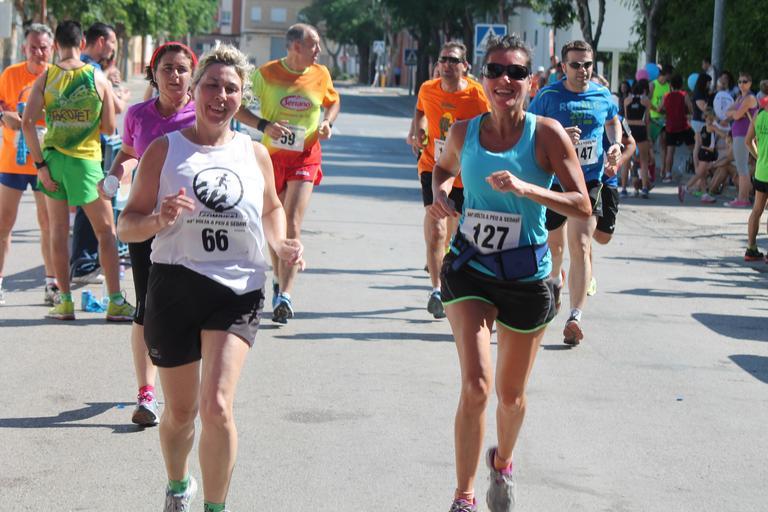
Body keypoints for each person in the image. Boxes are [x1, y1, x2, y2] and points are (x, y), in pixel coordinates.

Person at [117, 44, 304, 512]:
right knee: (181, 413)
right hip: (174, 285)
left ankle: (215, 507)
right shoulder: (163, 150)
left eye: (232, 89)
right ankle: (178, 483)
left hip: (236, 290)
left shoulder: (254, 153)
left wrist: (280, 243)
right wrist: (157, 219)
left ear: (242, 97)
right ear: (195, 89)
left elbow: (272, 208)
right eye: (213, 85)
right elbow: (126, 225)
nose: (221, 96)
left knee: (217, 406)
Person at [429, 34, 590, 512]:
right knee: (476, 386)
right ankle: (464, 496)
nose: (505, 80)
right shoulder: (464, 131)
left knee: (511, 397)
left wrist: (526, 189)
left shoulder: (548, 134)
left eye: (516, 72)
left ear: (531, 81)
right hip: (471, 268)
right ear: (483, 78)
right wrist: (441, 193)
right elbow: (442, 169)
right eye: (496, 71)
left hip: (526, 276)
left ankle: (502, 462)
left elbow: (582, 204)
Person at [100, 42, 198, 425]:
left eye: (182, 68)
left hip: (192, 226)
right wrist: (113, 176)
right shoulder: (139, 115)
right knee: (146, 305)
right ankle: (146, 394)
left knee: (191, 305)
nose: (175, 75)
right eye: (167, 68)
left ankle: (188, 387)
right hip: (146, 219)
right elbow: (129, 154)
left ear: (192, 74)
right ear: (154, 74)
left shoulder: (202, 114)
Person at [20, 20, 134, 321]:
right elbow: (109, 127)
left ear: (56, 45)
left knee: (58, 233)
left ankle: (65, 302)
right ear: (82, 43)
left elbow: (27, 123)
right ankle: (115, 301)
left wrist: (40, 166)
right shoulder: (96, 77)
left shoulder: (46, 77)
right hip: (86, 164)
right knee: (106, 232)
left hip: (53, 163)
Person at [235, 23, 339, 324]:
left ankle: (286, 296)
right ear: (295, 46)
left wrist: (327, 122)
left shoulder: (321, 74)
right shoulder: (266, 74)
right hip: (272, 158)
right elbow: (238, 106)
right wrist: (264, 126)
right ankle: (279, 279)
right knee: (275, 222)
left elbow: (333, 101)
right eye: (314, 44)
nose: (318, 50)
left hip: (306, 156)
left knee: (292, 219)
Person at [528, 39, 622, 346]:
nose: (583, 70)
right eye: (576, 65)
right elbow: (527, 129)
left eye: (588, 64)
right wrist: (558, 137)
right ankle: (555, 282)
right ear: (563, 67)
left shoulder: (602, 94)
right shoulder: (548, 96)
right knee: (555, 249)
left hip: (588, 182)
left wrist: (616, 145)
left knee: (581, 244)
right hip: (554, 182)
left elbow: (613, 122)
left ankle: (575, 318)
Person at [408, 41, 490, 319]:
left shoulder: (477, 95)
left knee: (459, 233)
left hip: (466, 173)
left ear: (465, 66)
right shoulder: (427, 89)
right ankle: (437, 290)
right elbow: (420, 111)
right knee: (437, 229)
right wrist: (418, 131)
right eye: (443, 59)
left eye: (454, 60)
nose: (447, 65)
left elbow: (493, 123)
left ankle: (454, 274)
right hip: (433, 167)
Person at [0, 23, 56, 306]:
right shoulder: (10, 74)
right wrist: (5, 117)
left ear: (52, 48)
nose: (38, 52)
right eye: (33, 47)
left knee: (48, 224)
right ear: (24, 48)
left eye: (43, 47)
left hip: (46, 161)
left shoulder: (57, 77)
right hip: (12, 161)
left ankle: (51, 284)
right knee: (3, 224)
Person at [70, 22, 124, 283]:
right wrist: (119, 94)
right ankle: (84, 263)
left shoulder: (78, 65)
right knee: (93, 203)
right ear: (100, 41)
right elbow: (116, 110)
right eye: (112, 42)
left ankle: (84, 261)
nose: (113, 48)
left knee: (87, 204)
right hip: (94, 144)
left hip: (80, 145)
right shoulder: (93, 71)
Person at [723, 72, 758, 208]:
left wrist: (734, 114)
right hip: (738, 134)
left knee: (742, 168)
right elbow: (728, 112)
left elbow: (736, 116)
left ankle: (743, 198)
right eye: (739, 82)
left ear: (750, 83)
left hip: (744, 135)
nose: (741, 84)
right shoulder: (739, 98)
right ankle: (742, 197)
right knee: (741, 167)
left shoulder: (750, 98)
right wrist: (734, 113)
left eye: (745, 81)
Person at [678, 108, 728, 203]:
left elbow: (701, 142)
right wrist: (728, 136)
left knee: (703, 175)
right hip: (706, 153)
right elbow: (722, 134)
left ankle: (705, 194)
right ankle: (685, 187)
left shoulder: (703, 128)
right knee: (700, 173)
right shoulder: (712, 126)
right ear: (712, 117)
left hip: (705, 152)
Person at [744, 96, 768, 261]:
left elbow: (748, 141)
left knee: (757, 210)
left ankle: (751, 249)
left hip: (761, 171)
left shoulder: (758, 115)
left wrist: (759, 156)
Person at [659, 74, 694, 181]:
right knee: (694, 148)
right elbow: (691, 109)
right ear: (681, 85)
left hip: (670, 126)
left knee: (670, 151)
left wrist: (667, 111)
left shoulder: (666, 95)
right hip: (683, 125)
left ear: (671, 85)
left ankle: (668, 174)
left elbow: (659, 109)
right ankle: (699, 171)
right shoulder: (684, 95)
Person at [623, 79, 652, 197]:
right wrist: (648, 136)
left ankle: (623, 189)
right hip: (641, 128)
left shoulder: (626, 100)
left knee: (626, 159)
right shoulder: (646, 101)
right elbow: (647, 120)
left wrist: (624, 133)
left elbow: (625, 118)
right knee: (644, 160)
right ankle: (644, 188)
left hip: (629, 128)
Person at [649, 66, 672, 182]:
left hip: (664, 118)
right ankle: (650, 170)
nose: (669, 78)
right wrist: (656, 110)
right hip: (653, 118)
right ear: (665, 74)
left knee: (664, 145)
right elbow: (647, 100)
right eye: (668, 76)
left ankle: (663, 170)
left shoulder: (668, 86)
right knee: (650, 145)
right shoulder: (653, 84)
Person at [691, 73, 713, 170]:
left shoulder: (703, 92)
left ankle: (701, 167)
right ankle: (697, 167)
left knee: (702, 145)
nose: (709, 85)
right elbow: (703, 108)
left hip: (702, 121)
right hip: (699, 121)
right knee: (699, 144)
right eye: (708, 82)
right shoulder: (699, 93)